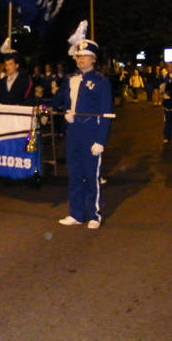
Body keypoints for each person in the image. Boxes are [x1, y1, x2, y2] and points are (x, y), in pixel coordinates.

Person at [50, 21, 112, 229]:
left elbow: (107, 113)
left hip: (91, 131)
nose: (80, 58)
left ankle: (94, 215)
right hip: (73, 131)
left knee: (91, 175)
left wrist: (100, 140)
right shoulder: (70, 79)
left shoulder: (101, 81)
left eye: (84, 55)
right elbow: (56, 100)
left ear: (93, 58)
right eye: (78, 56)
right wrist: (62, 110)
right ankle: (76, 213)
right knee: (75, 174)